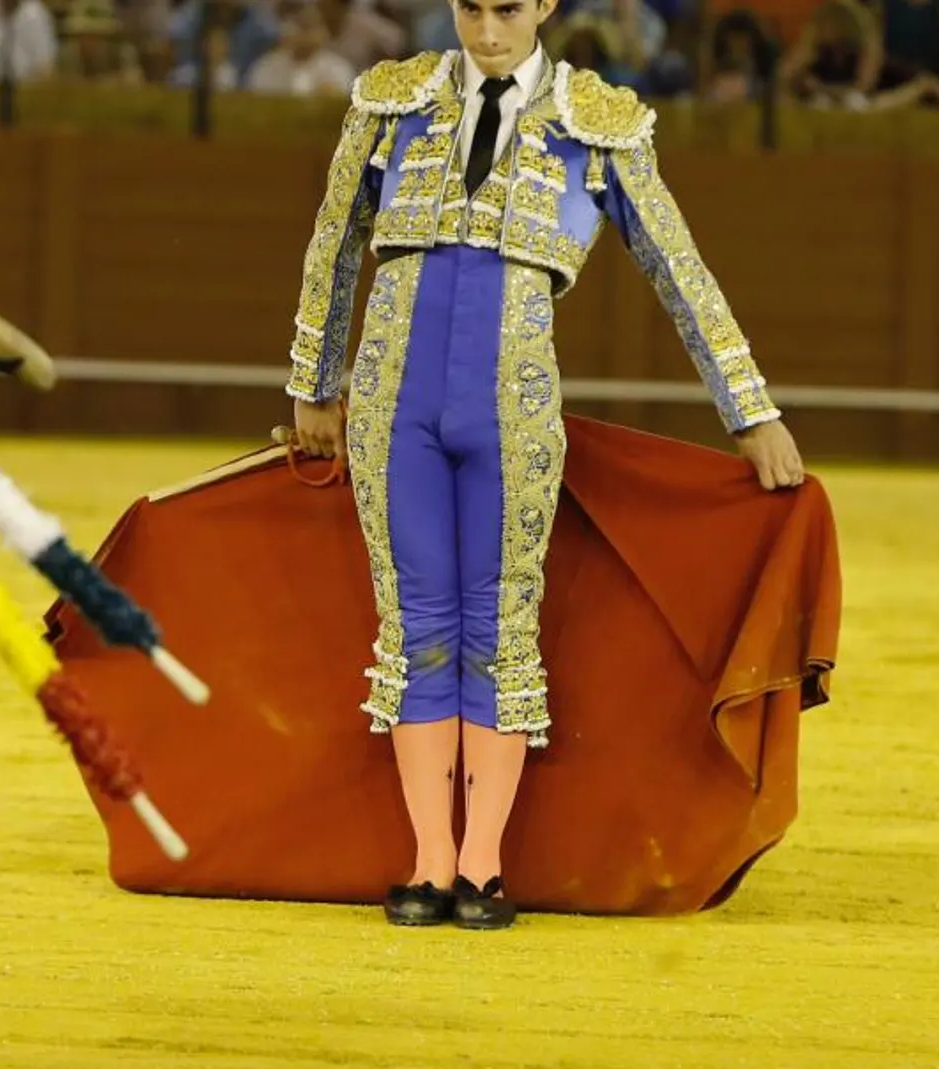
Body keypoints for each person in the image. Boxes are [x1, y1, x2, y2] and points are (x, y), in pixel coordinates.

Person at [282, 0, 805, 931]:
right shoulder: (389, 104)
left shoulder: (595, 123)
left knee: (498, 628)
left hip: (511, 412)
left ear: (546, 7)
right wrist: (313, 382)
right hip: (393, 407)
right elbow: (334, 244)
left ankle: (481, 861)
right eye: (473, 9)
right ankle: (428, 859)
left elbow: (678, 270)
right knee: (415, 627)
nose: (488, 32)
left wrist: (750, 408)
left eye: (508, 10)